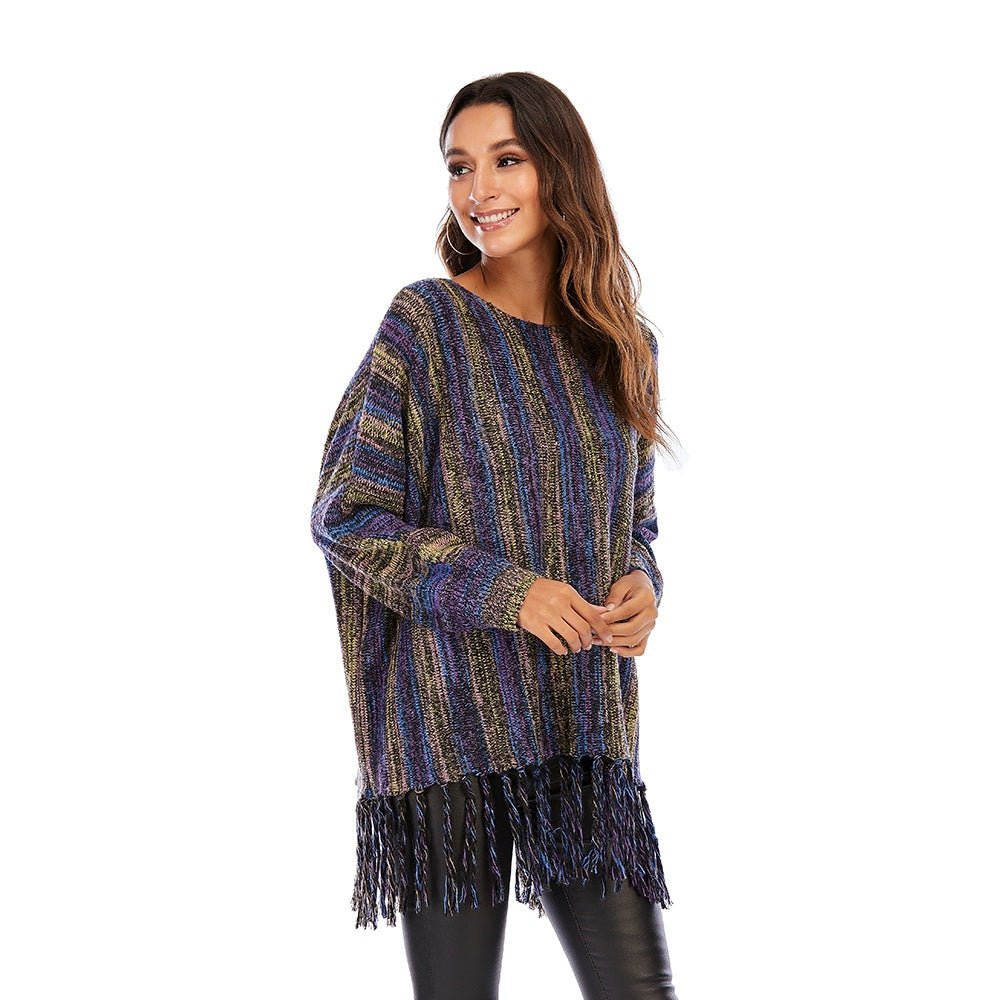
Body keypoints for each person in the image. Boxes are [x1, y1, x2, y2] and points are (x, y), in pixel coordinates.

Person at [310, 71, 687, 1000]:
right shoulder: (426, 326)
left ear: (560, 169)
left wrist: (643, 583)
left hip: (582, 725)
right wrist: (510, 593)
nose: (479, 189)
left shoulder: (622, 346)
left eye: (506, 161)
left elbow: (633, 518)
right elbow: (348, 514)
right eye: (459, 167)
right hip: (447, 726)